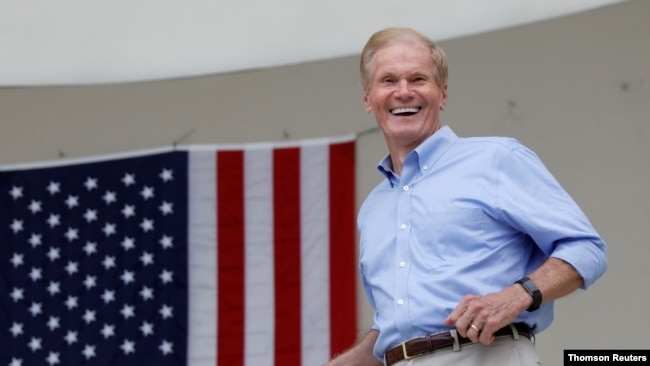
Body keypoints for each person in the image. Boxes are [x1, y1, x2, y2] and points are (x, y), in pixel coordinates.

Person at [326, 27, 607, 366]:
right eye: (388, 81)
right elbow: (395, 329)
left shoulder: (496, 159)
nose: (403, 92)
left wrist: (516, 295)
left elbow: (586, 249)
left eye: (418, 79)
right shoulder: (373, 208)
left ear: (442, 94)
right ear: (368, 99)